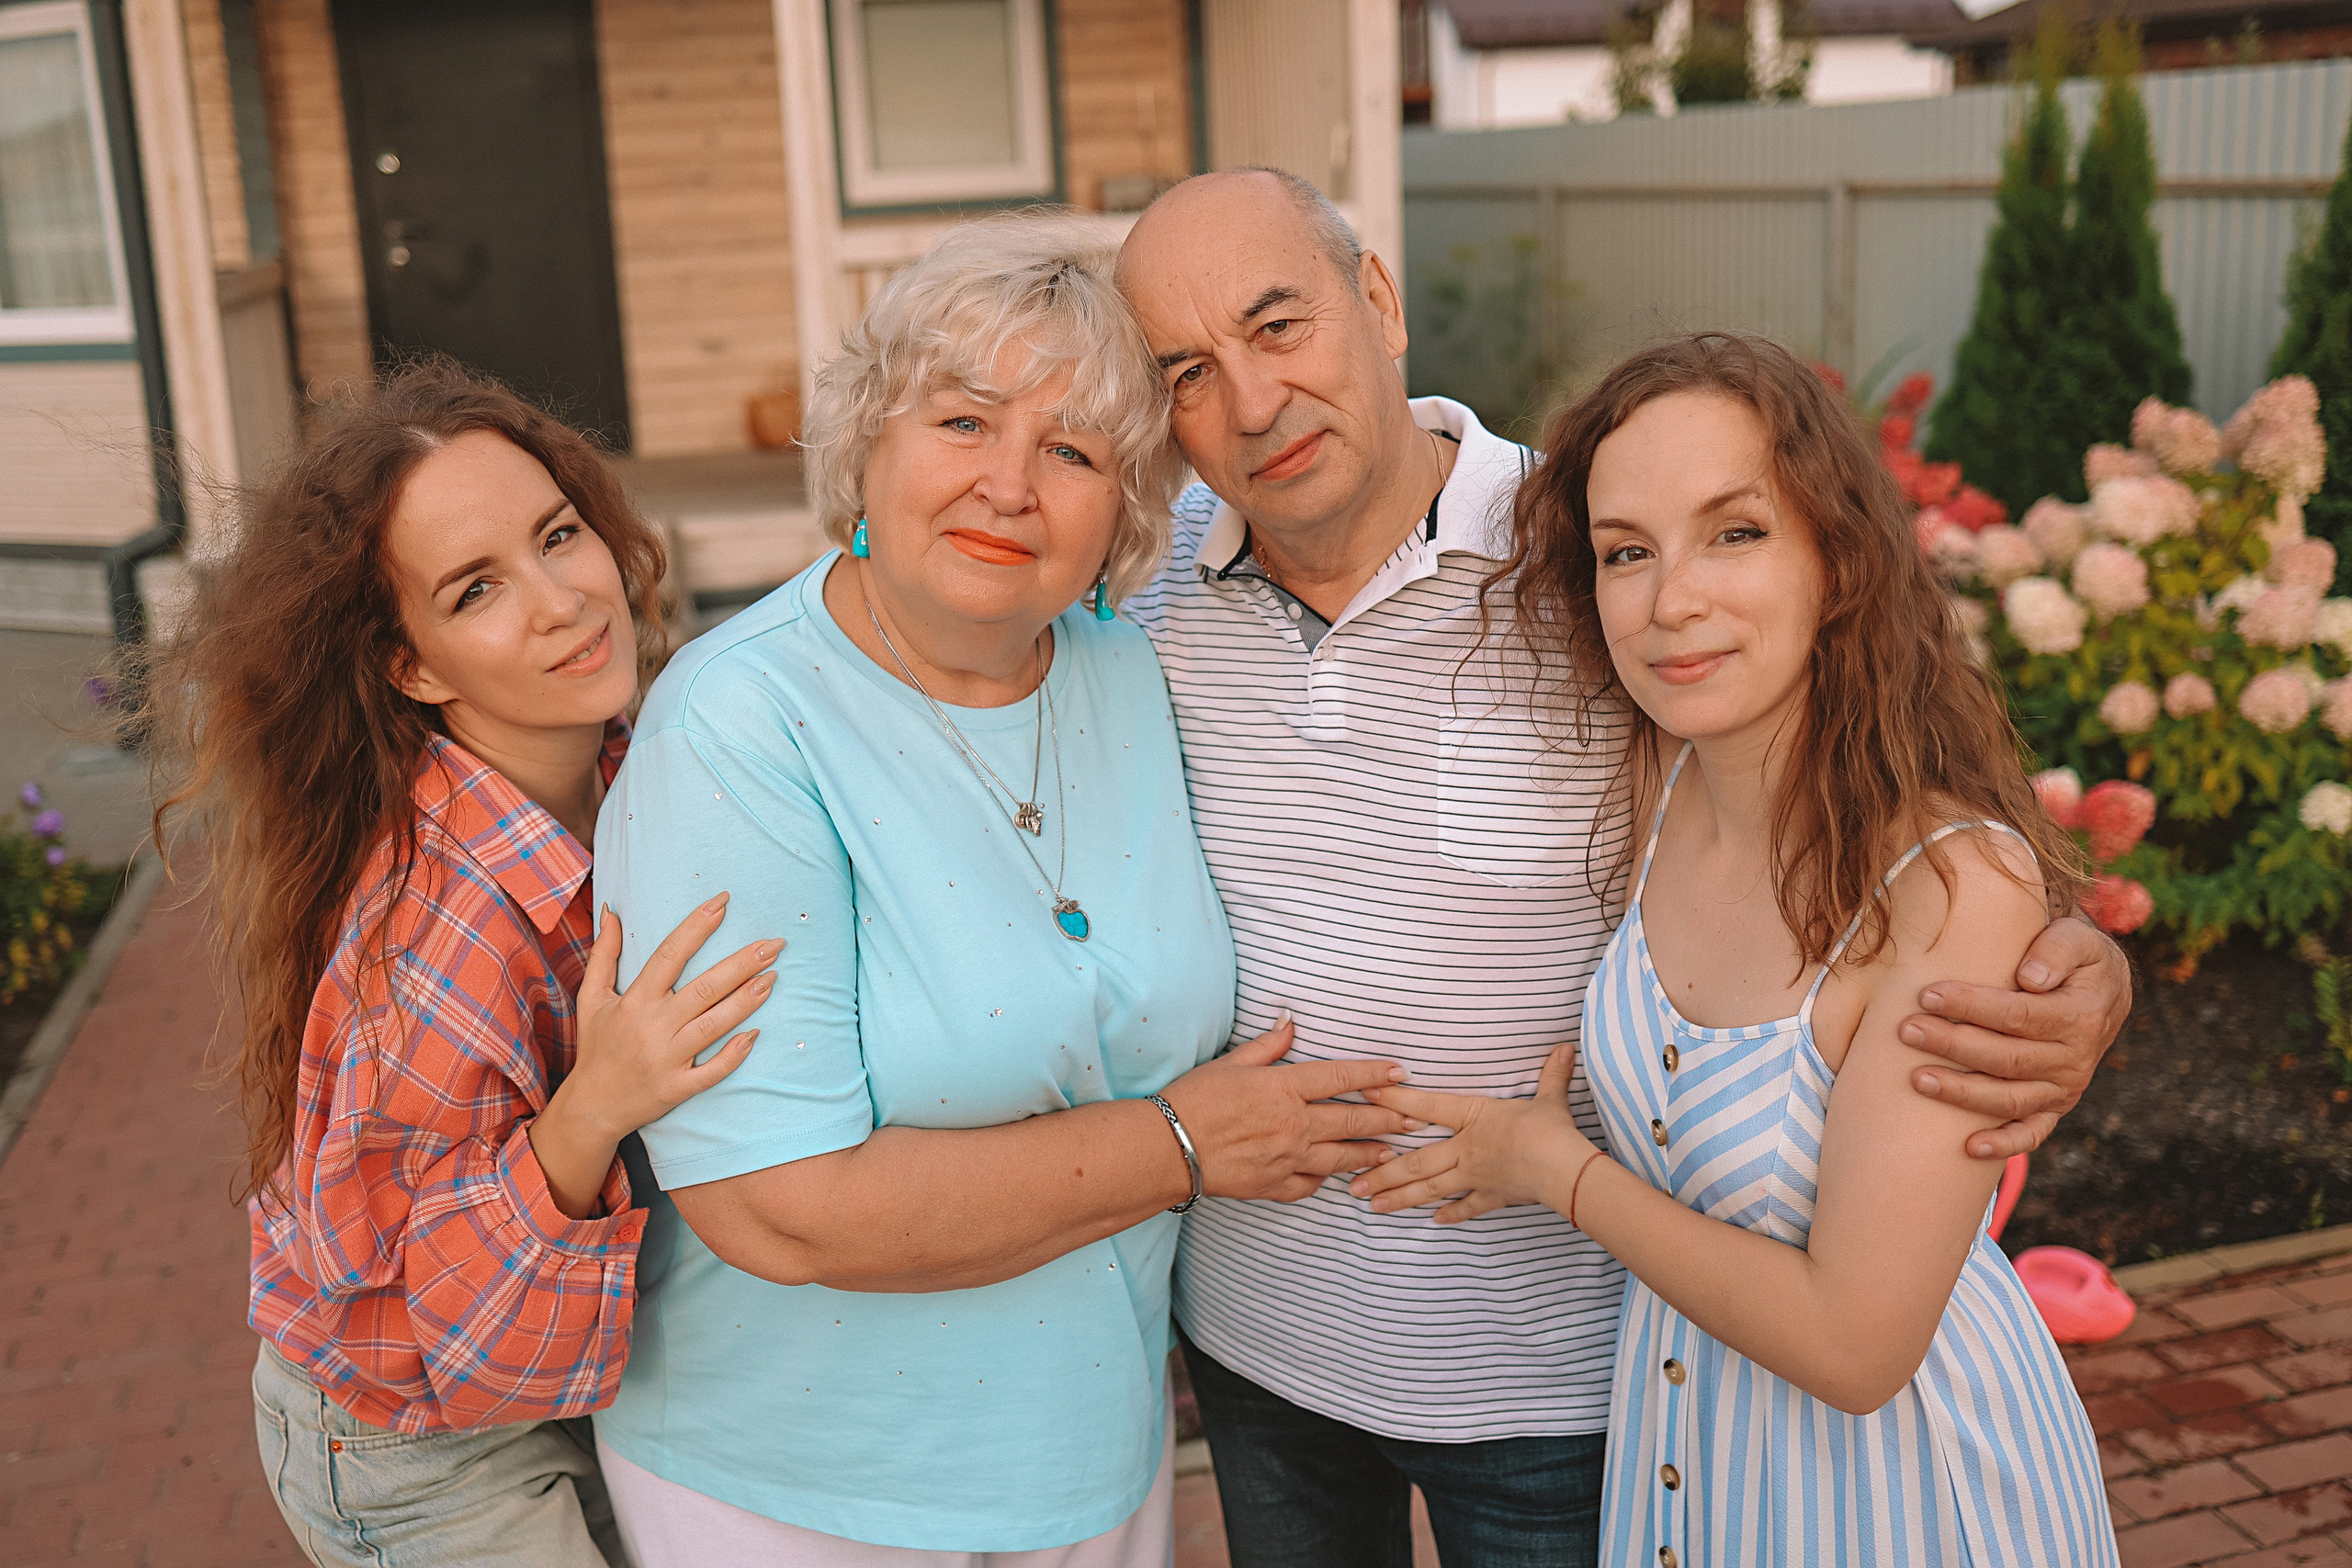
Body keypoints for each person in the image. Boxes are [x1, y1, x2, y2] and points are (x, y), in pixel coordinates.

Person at [1109, 169, 2134, 1565]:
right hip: (1260, 1343)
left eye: (1278, 325)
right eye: (1186, 371)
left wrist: (2078, 962)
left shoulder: (1588, 552)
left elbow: (1866, 786)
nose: (1251, 401)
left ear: (1379, 300)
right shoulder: (1138, 594)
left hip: (1569, 1384)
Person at [587, 213, 1409, 1564]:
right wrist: (1185, 1146)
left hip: (1091, 1453)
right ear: (868, 448)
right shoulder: (739, 728)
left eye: (1074, 449)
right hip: (807, 1483)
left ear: (1127, 513)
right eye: (963, 423)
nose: (1010, 485)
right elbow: (775, 1203)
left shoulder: (1125, 673)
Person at [1356, 333, 2118, 1565]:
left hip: (1906, 1501)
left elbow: (1857, 1347)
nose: (1673, 602)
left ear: (1840, 557)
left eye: (1736, 533)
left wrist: (1555, 1173)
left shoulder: (1948, 886)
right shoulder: (1662, 782)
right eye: (1626, 553)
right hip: (1694, 1478)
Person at [148, 362, 780, 1567]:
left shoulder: (623, 766)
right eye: (478, 588)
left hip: (555, 1369)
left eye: (558, 536)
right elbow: (431, 1312)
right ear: (415, 666)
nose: (560, 602)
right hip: (413, 1444)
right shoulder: (437, 939)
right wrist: (594, 1105)